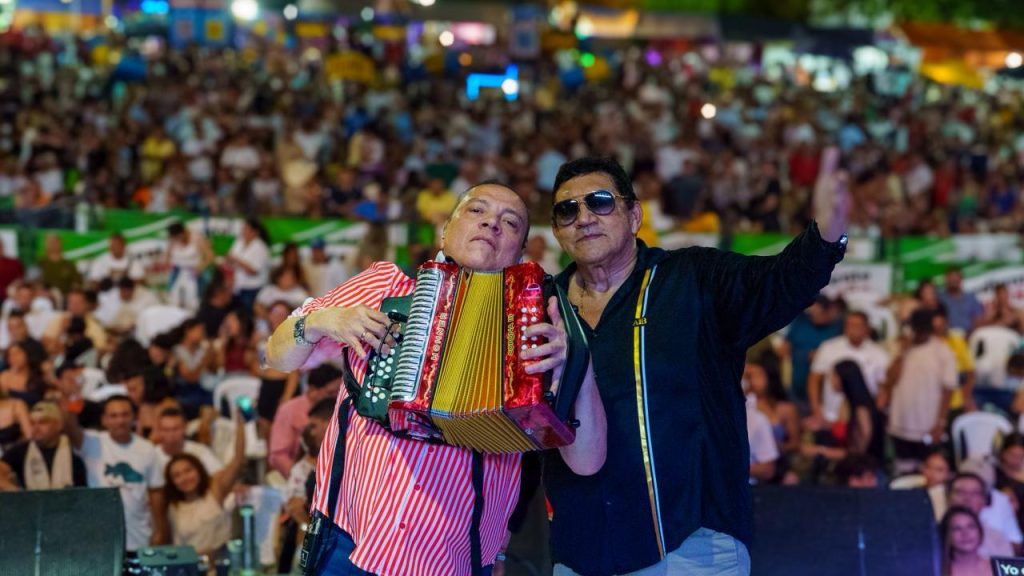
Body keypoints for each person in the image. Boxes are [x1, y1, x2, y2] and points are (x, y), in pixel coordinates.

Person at [265, 182, 607, 576]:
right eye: (477, 210)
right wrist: (323, 320)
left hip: (456, 557)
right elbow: (276, 356)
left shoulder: (543, 325)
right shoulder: (385, 285)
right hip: (350, 540)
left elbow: (583, 459)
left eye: (510, 222)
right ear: (446, 229)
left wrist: (575, 364)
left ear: (520, 251)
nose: (492, 223)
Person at [543, 156, 844, 576]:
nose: (584, 217)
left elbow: (781, 281)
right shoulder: (544, 308)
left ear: (634, 215)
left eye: (600, 201)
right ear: (557, 231)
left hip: (692, 547)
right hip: (581, 551)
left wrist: (827, 232)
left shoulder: (693, 279)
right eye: (567, 210)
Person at [65, 395, 168, 551]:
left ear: (134, 418)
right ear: (104, 420)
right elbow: (69, 428)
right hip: (101, 539)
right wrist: (73, 399)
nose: (120, 421)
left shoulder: (147, 449)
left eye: (125, 415)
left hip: (139, 536)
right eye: (113, 416)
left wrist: (160, 529)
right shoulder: (92, 442)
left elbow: (156, 492)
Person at [880, 309, 958, 472]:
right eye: (917, 329)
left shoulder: (943, 352)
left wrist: (940, 422)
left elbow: (948, 390)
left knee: (927, 470)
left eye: (924, 330)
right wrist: (902, 353)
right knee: (903, 469)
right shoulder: (900, 349)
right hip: (900, 423)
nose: (920, 333)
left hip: (927, 424)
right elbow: (889, 379)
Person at [163, 409, 245, 560]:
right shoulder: (172, 507)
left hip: (221, 563)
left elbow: (237, 460)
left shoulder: (215, 491)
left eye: (188, 471)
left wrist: (241, 423)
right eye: (177, 475)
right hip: (190, 566)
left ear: (199, 470)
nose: (184, 478)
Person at [268, 364, 341, 478]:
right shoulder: (289, 410)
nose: (337, 397)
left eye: (340, 392)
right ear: (312, 390)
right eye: (331, 393)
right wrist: (301, 478)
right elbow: (278, 456)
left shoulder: (341, 409)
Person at [0, 401, 86, 489]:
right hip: (30, 498)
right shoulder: (20, 452)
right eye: (32, 423)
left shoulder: (74, 456)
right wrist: (17, 492)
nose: (36, 428)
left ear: (58, 425)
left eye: (43, 422)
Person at [154, 406, 222, 476]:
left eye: (175, 429)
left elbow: (218, 475)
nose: (171, 434)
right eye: (166, 430)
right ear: (159, 431)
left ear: (185, 428)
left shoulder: (200, 451)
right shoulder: (152, 456)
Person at [226, 218, 270, 312]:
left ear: (255, 232)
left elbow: (253, 271)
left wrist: (238, 261)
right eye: (244, 228)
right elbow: (230, 256)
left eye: (247, 229)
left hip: (252, 288)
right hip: (237, 286)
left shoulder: (261, 248)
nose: (244, 231)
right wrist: (230, 259)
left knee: (247, 313)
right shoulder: (239, 242)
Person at [940, 506, 995, 576]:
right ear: (947, 535)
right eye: (957, 528)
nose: (965, 533)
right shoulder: (937, 570)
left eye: (971, 526)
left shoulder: (997, 568)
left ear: (980, 531)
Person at [940, 267, 983, 335]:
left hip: (970, 334)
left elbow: (978, 318)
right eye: (951, 278)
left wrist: (971, 333)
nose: (953, 281)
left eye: (955, 278)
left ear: (961, 279)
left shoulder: (971, 297)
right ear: (946, 280)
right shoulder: (941, 298)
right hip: (948, 336)